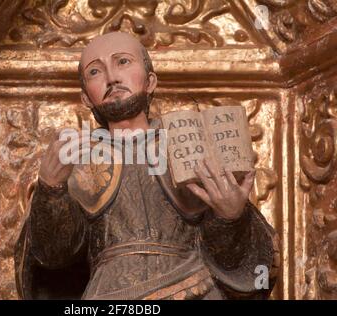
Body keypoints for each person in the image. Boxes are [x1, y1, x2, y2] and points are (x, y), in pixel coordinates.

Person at [14, 32, 279, 300]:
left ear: (150, 81)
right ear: (85, 98)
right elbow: (53, 256)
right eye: (95, 71)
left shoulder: (191, 141)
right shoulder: (75, 157)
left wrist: (230, 219)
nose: (112, 77)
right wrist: (51, 189)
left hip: (193, 289)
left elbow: (238, 260)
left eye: (123, 62)